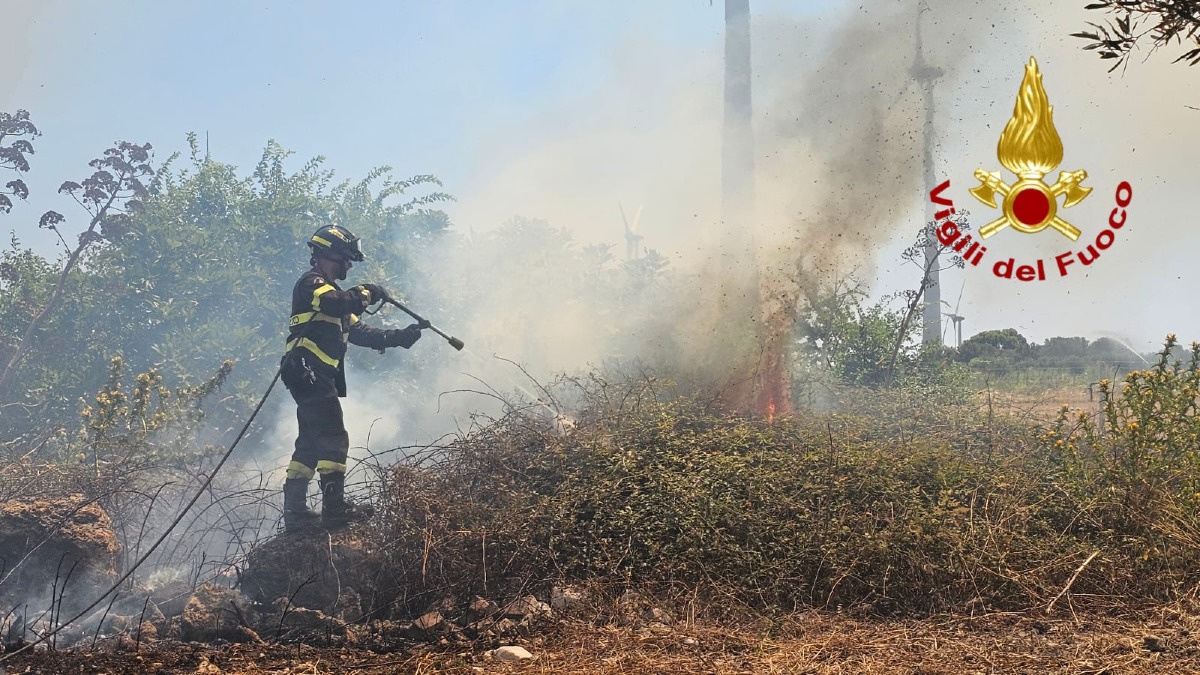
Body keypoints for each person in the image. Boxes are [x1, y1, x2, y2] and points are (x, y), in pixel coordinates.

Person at [279, 223, 427, 532]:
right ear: (329, 254)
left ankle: (295, 514)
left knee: (310, 441)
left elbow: (359, 331)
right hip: (308, 371)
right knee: (334, 436)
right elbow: (338, 302)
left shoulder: (333, 296)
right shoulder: (312, 283)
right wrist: (368, 291)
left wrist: (399, 337)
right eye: (346, 257)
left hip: (311, 375)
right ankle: (334, 509)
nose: (349, 264)